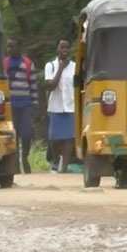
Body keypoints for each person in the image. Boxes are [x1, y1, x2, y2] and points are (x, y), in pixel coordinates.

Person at [4, 37, 38, 173]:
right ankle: (15, 162)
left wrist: (35, 106)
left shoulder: (28, 64)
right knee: (14, 135)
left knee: (27, 134)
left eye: (12, 46)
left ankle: (25, 157)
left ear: (19, 47)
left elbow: (33, 86)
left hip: (25, 105)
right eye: (8, 47)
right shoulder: (5, 63)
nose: (10, 49)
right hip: (11, 105)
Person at [45, 39, 76, 173]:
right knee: (55, 139)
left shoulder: (75, 67)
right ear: (57, 49)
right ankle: (56, 161)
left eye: (67, 47)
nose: (64, 50)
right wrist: (61, 68)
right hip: (56, 107)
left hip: (71, 107)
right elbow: (51, 85)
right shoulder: (50, 66)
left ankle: (65, 167)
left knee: (69, 139)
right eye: (62, 47)